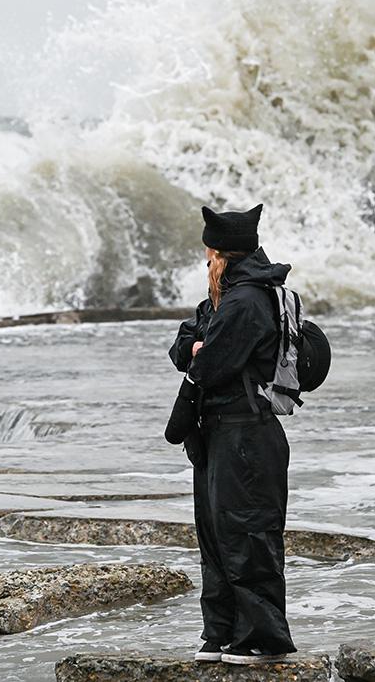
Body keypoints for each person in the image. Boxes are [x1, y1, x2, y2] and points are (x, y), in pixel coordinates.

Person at [167, 203, 297, 665]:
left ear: (222, 254)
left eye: (209, 256)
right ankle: (220, 633)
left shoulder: (245, 302)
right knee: (216, 535)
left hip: (248, 433)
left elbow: (208, 365)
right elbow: (183, 343)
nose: (206, 264)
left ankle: (261, 638)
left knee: (248, 535)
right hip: (221, 434)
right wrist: (197, 346)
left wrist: (199, 350)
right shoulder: (228, 297)